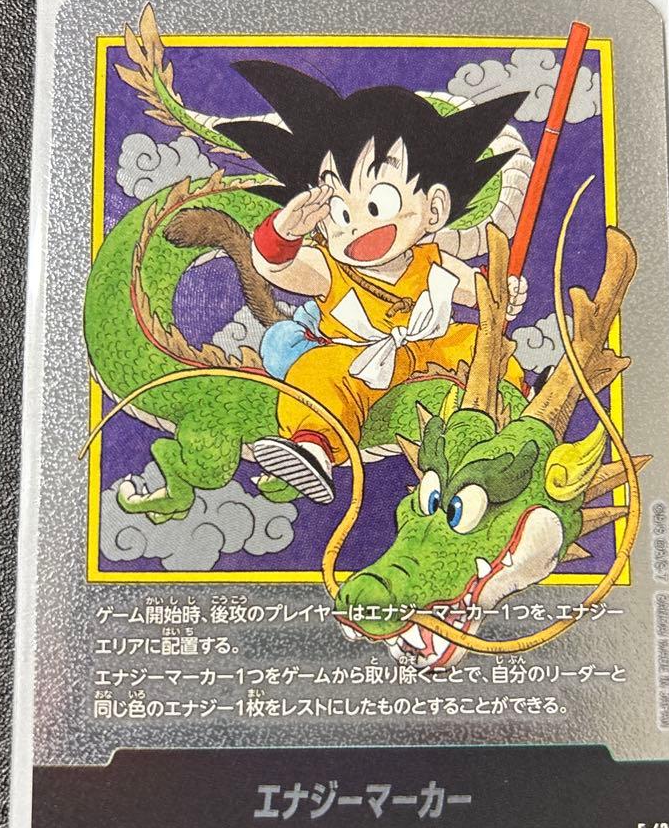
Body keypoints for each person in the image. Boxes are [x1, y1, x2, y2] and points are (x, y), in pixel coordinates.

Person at [217, 61, 528, 503]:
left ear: (434, 210)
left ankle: (520, 405)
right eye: (341, 212)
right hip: (356, 359)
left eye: (377, 204)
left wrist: (503, 295)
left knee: (481, 345)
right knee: (317, 372)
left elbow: (480, 292)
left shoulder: (432, 260)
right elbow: (274, 267)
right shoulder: (330, 267)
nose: (356, 226)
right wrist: (284, 231)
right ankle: (313, 448)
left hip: (431, 349)